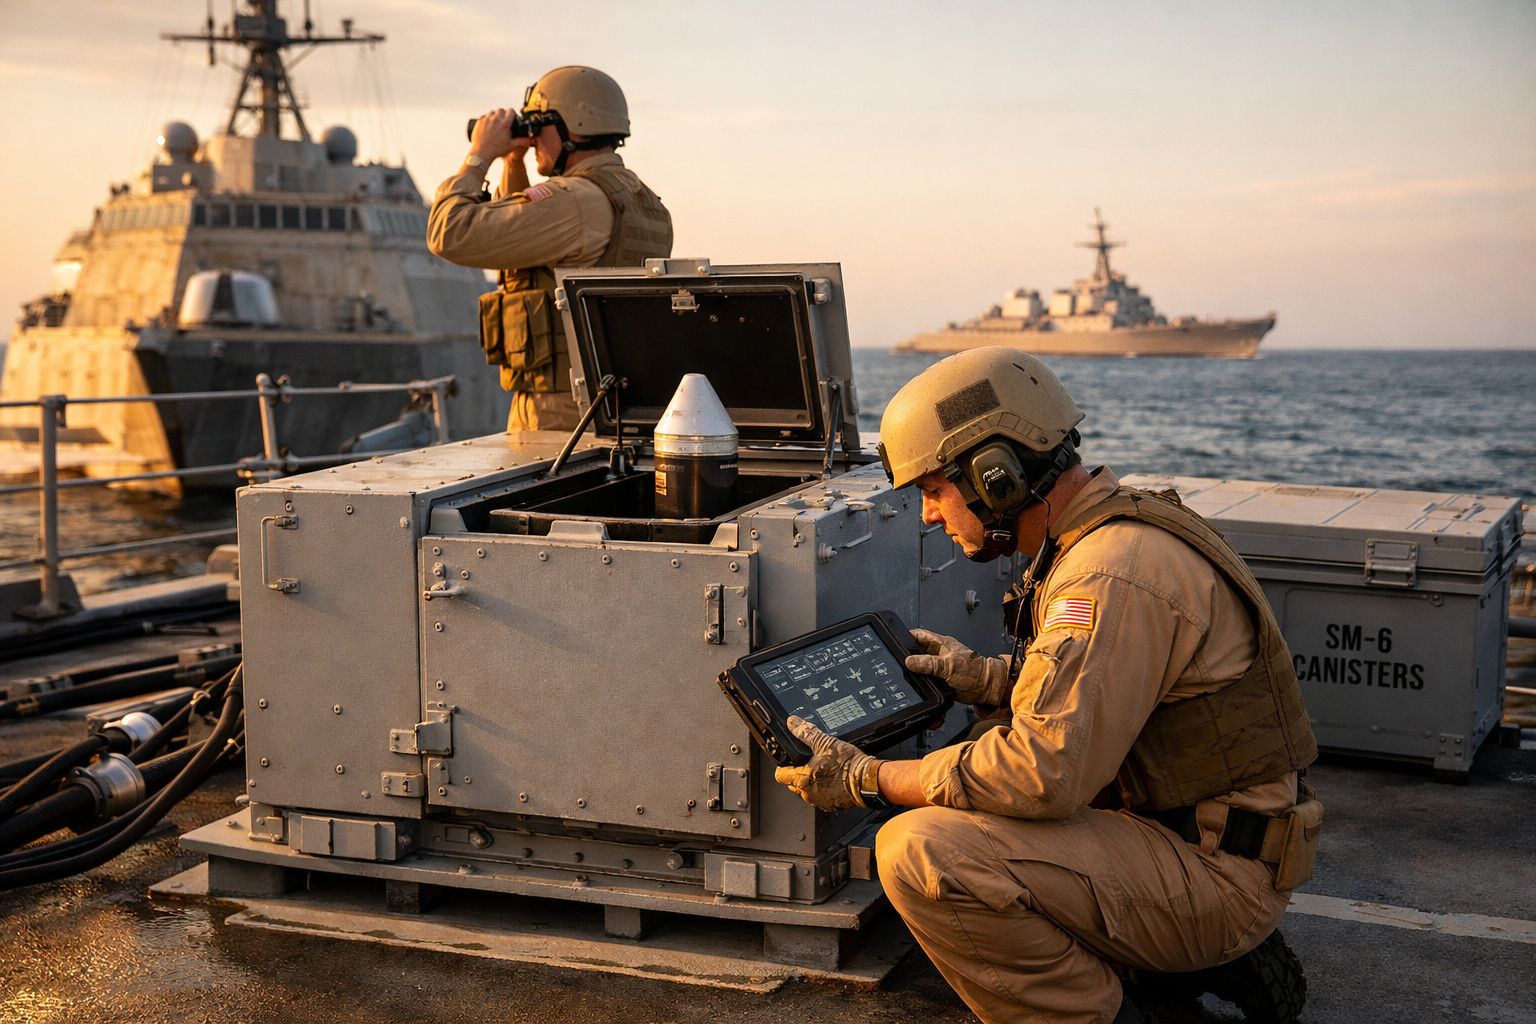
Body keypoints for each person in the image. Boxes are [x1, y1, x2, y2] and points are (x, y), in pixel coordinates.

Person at [774, 346, 1322, 1024]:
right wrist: (989, 679)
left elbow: (1041, 774)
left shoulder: (1106, 574)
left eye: (933, 490)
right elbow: (1122, 694)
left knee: (922, 850)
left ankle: (1121, 1003)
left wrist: (868, 779)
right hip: (1201, 837)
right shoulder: (1114, 531)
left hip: (1213, 874)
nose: (927, 517)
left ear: (993, 475)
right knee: (982, 742)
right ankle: (1163, 957)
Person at [427, 66, 673, 431]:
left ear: (572, 126)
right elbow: (521, 239)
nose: (533, 139)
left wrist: (479, 156)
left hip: (557, 416)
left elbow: (449, 233)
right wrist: (513, 160)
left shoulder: (573, 202)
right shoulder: (639, 200)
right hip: (611, 406)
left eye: (537, 126)